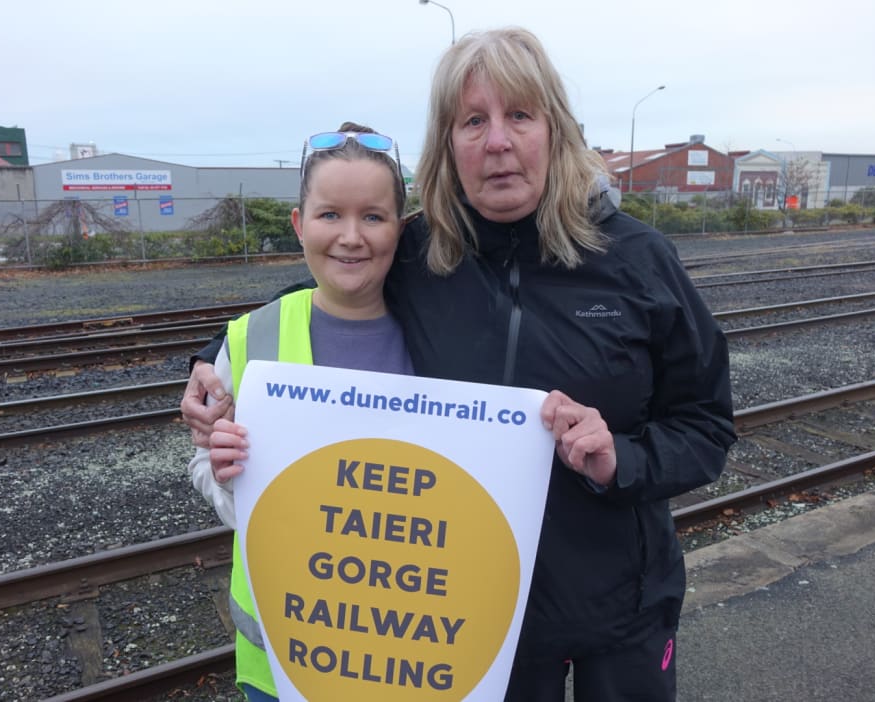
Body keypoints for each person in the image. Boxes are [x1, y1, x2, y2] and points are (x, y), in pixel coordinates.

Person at [184, 28, 736, 701]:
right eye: (473, 120)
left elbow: (707, 424)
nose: (497, 141)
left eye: (520, 115)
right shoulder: (422, 252)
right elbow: (329, 284)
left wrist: (622, 458)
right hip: (472, 618)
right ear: (449, 144)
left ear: (554, 130)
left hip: (620, 609)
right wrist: (214, 357)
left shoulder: (638, 261)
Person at [188, 121, 413, 702]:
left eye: (373, 216)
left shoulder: (440, 339)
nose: (350, 237)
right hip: (281, 662)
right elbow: (207, 471)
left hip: (410, 655)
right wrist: (224, 471)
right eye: (330, 214)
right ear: (299, 224)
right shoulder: (247, 338)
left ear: (401, 227)